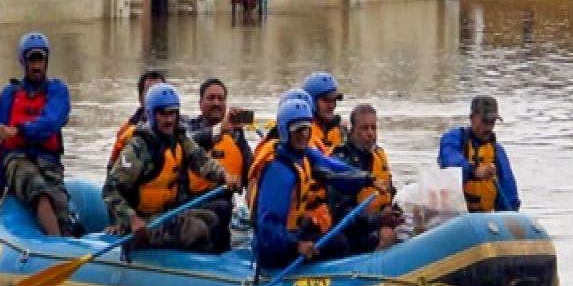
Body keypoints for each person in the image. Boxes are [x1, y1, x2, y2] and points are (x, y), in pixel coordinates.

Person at [103, 83, 237, 253]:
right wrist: (131, 218)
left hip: (164, 214)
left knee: (212, 219)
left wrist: (225, 176)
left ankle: (217, 265)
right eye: (163, 114)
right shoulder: (138, 148)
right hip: (141, 222)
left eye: (173, 113)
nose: (169, 120)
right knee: (197, 229)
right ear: (152, 115)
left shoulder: (179, 138)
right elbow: (110, 190)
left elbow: (201, 162)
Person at [253, 95, 377, 270]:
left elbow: (334, 168)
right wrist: (296, 245)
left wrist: (367, 179)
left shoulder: (303, 154)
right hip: (274, 249)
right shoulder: (278, 171)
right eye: (297, 130)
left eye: (306, 129)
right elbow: (267, 228)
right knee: (338, 244)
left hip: (293, 234)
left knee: (340, 238)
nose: (303, 134)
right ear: (284, 131)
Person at [0, 32, 73, 237]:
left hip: (48, 159)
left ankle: (67, 238)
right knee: (37, 187)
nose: (36, 66)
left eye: (40, 59)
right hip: (16, 159)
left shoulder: (58, 90)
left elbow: (51, 121)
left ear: (46, 61)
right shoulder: (10, 93)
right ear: (23, 62)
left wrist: (20, 129)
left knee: (59, 202)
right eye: (31, 59)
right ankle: (57, 244)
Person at [186, 77, 254, 252]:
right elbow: (188, 146)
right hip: (189, 204)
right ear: (200, 103)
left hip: (224, 206)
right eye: (211, 98)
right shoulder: (187, 131)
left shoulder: (236, 136)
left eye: (221, 98)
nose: (216, 102)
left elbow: (252, 173)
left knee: (225, 207)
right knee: (220, 209)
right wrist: (219, 130)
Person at [330, 103, 402, 253]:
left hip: (377, 223)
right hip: (353, 233)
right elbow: (341, 212)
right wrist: (377, 220)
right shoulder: (342, 161)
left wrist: (394, 212)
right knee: (387, 236)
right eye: (364, 128)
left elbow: (390, 193)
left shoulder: (379, 156)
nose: (370, 133)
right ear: (352, 131)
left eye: (373, 128)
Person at [438, 95, 520, 213]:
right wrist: (474, 171)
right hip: (453, 216)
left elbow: (508, 190)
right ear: (472, 118)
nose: (488, 126)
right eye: (485, 121)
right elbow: (449, 161)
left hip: (483, 219)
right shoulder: (454, 139)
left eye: (492, 122)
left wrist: (511, 216)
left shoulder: (497, 152)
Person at [108, 69, 167, 169]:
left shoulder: (181, 125)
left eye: (159, 91)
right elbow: (112, 168)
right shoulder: (127, 131)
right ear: (140, 98)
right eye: (150, 91)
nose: (156, 96)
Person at [301, 71, 346, 153]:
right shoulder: (302, 133)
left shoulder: (340, 131)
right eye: (326, 100)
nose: (332, 105)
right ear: (311, 102)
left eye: (334, 100)